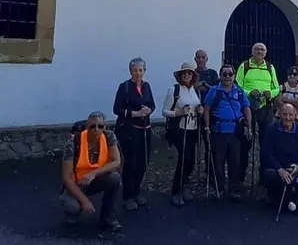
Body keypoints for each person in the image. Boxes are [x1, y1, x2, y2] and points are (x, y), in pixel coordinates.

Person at [60, 111, 122, 231]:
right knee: (73, 207)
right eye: (92, 126)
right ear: (87, 126)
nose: (96, 129)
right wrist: (85, 202)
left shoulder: (109, 136)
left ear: (105, 127)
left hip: (95, 178)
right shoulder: (73, 143)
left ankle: (107, 218)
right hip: (76, 183)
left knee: (115, 179)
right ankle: (72, 213)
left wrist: (92, 174)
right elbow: (66, 178)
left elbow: (116, 161)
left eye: (100, 126)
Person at [204, 64, 252, 199]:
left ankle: (234, 188)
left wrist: (249, 127)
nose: (227, 77)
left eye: (230, 74)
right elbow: (207, 109)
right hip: (219, 131)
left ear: (234, 76)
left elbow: (246, 108)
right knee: (218, 161)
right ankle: (218, 188)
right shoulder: (214, 91)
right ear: (220, 76)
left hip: (235, 132)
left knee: (234, 161)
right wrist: (207, 127)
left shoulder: (240, 91)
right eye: (224, 74)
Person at [113, 57, 155, 210]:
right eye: (135, 70)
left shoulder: (146, 86)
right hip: (129, 131)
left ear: (144, 71)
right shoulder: (124, 87)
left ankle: (136, 192)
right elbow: (117, 109)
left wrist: (149, 110)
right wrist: (135, 113)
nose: (138, 73)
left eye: (141, 70)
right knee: (131, 163)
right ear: (130, 71)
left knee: (143, 162)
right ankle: (127, 196)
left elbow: (152, 103)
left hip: (145, 130)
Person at [236, 42, 280, 184]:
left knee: (266, 142)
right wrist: (249, 92)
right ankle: (240, 177)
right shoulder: (245, 66)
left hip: (265, 108)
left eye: (262, 49)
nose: (259, 52)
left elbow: (276, 88)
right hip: (248, 107)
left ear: (266, 52)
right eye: (257, 49)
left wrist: (270, 93)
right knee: (245, 142)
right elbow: (238, 86)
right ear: (252, 51)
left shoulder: (270, 67)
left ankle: (265, 177)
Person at [162, 62, 203, 206]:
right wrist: (178, 113)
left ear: (193, 75)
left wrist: (200, 111)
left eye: (189, 73)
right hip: (180, 129)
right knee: (184, 158)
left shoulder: (194, 90)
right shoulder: (174, 90)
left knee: (191, 160)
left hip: (193, 128)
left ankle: (184, 186)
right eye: (184, 73)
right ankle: (176, 191)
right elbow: (164, 111)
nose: (186, 75)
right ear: (180, 75)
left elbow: (197, 106)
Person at [261, 104, 298, 209]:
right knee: (269, 175)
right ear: (279, 115)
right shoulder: (271, 129)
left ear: (295, 115)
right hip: (279, 168)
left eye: (290, 114)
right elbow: (266, 153)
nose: (288, 118)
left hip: (296, 167)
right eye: (284, 114)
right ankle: (279, 197)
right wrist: (279, 169)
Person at [194, 49, 220, 174]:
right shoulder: (191, 74)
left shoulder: (212, 74)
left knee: (209, 141)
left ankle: (209, 170)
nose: (200, 60)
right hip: (195, 112)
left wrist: (206, 86)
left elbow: (218, 90)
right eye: (198, 57)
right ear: (195, 59)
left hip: (210, 112)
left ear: (207, 59)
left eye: (203, 57)